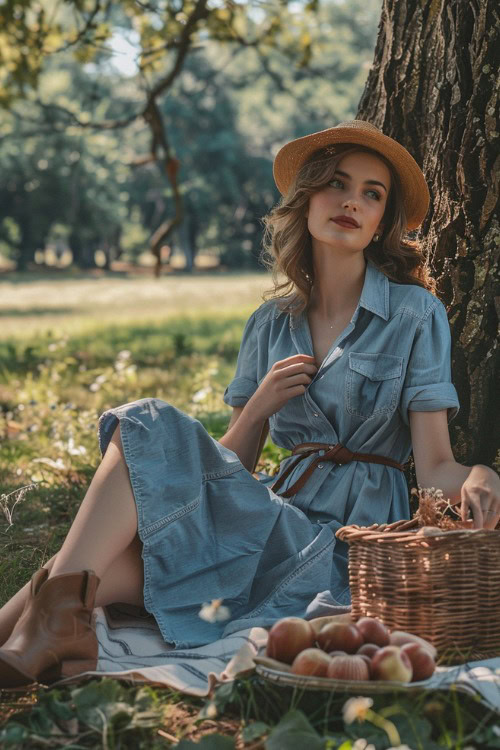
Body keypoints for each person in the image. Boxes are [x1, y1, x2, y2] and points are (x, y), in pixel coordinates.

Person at [1, 120, 499, 689]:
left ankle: (36, 638)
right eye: (336, 183)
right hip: (267, 518)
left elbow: (435, 466)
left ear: (382, 220)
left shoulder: (414, 314)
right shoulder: (268, 324)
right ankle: (27, 641)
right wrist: (258, 407)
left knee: (109, 548)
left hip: (347, 548)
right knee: (110, 527)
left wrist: (482, 472)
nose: (351, 202)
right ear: (307, 198)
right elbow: (228, 466)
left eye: (372, 193)